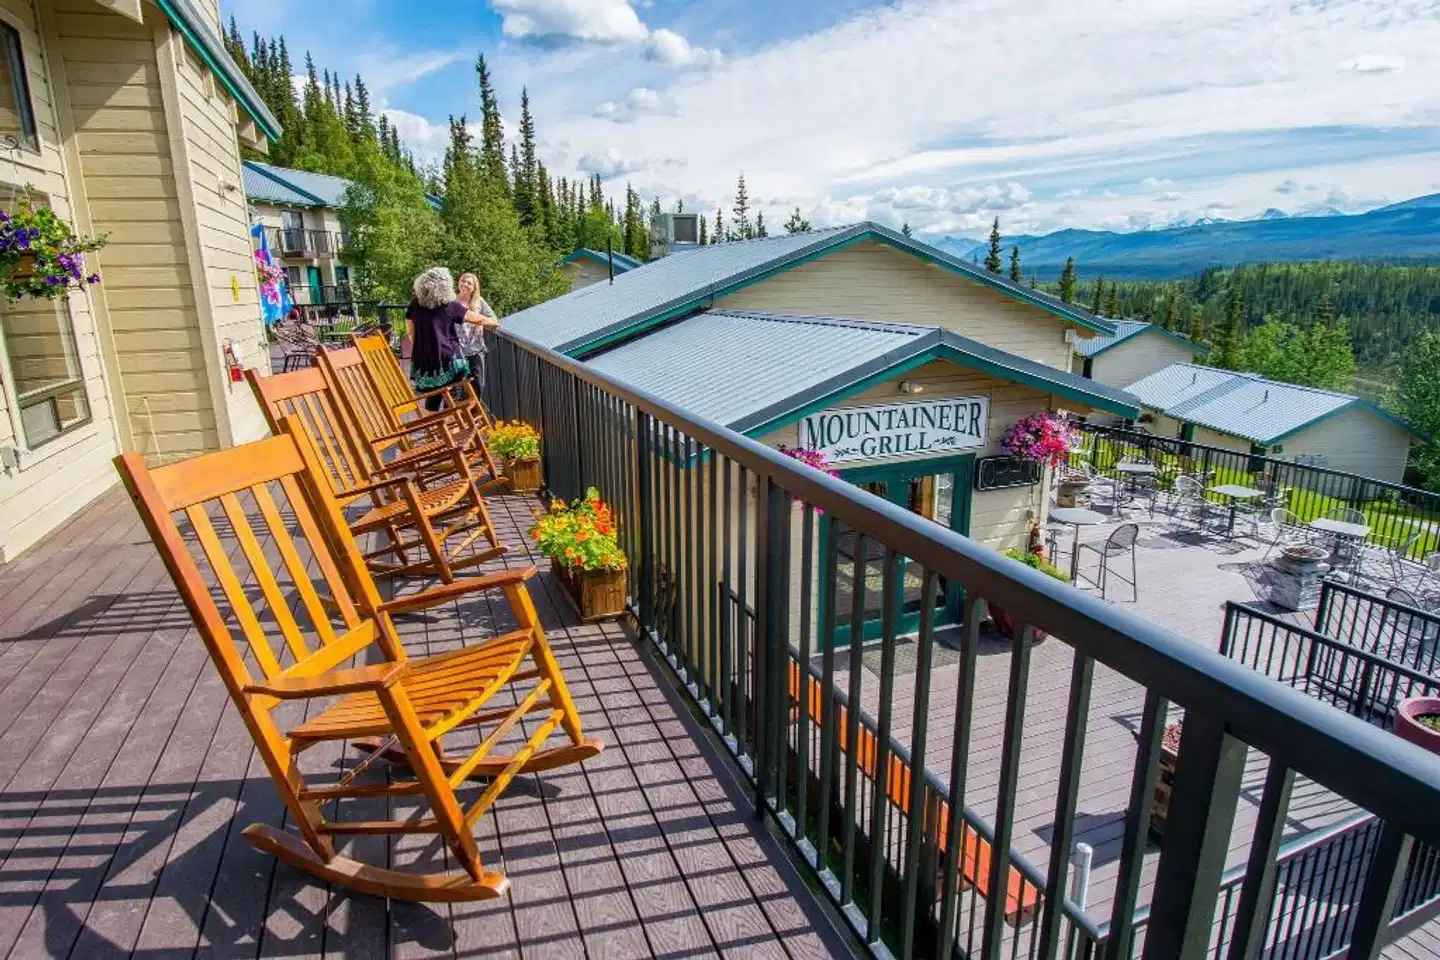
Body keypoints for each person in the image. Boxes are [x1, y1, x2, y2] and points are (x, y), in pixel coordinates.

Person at [405, 266, 499, 411]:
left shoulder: (414, 304)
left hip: (424, 363)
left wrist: (422, 348)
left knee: (434, 393)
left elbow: (410, 332)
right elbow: (476, 319)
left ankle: (434, 424)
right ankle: (455, 419)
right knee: (458, 384)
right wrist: (494, 322)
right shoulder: (449, 306)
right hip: (448, 360)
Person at [456, 272, 499, 399]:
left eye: (469, 283)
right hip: (456, 351)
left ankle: (473, 417)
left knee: (478, 385)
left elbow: (494, 320)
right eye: (463, 281)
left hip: (475, 349)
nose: (465, 284)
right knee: (456, 388)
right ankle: (454, 416)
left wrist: (481, 322)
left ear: (474, 288)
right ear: (458, 283)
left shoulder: (479, 301)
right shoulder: (451, 301)